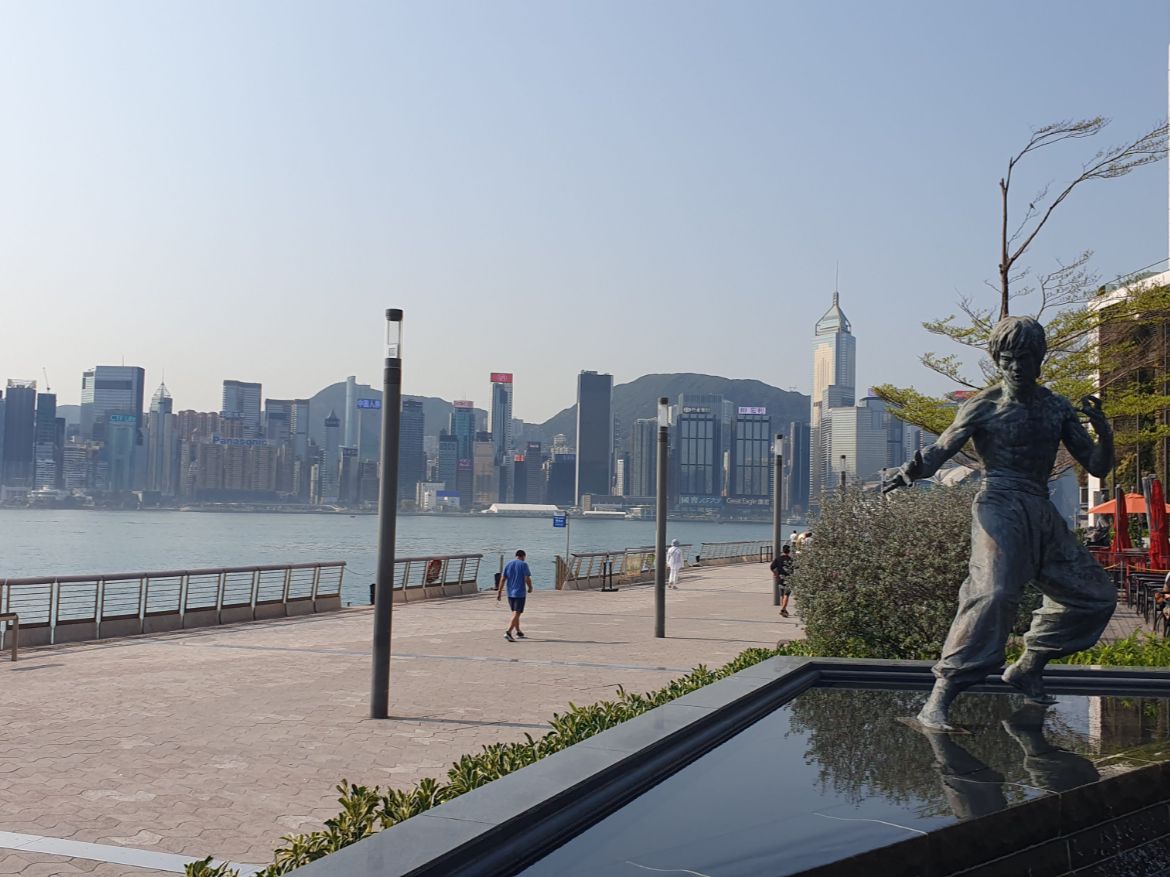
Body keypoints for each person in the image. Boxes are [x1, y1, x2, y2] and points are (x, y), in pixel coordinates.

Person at [883, 316, 1115, 731]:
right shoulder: (983, 405)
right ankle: (939, 697)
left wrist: (1105, 434)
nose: (1016, 367)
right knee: (992, 593)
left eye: (1025, 358)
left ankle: (1029, 666)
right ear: (997, 361)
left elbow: (1097, 464)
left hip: (1039, 508)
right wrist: (910, 472)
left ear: (1039, 359)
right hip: (998, 503)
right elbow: (942, 447)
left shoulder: (1056, 407)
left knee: (1095, 595)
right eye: (1007, 359)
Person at [496, 549, 533, 642]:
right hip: (519, 593)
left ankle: (518, 631)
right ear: (523, 556)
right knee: (517, 613)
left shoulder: (508, 564)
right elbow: (527, 578)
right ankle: (508, 632)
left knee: (514, 612)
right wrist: (530, 587)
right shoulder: (523, 564)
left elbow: (503, 578)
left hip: (510, 593)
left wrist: (499, 592)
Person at [770, 544, 794, 617]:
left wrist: (775, 574)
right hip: (789, 579)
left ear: (782, 551)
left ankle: (784, 609)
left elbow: (772, 567)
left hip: (780, 578)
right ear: (789, 551)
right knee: (787, 594)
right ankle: (783, 609)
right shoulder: (790, 559)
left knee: (782, 594)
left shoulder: (778, 558)